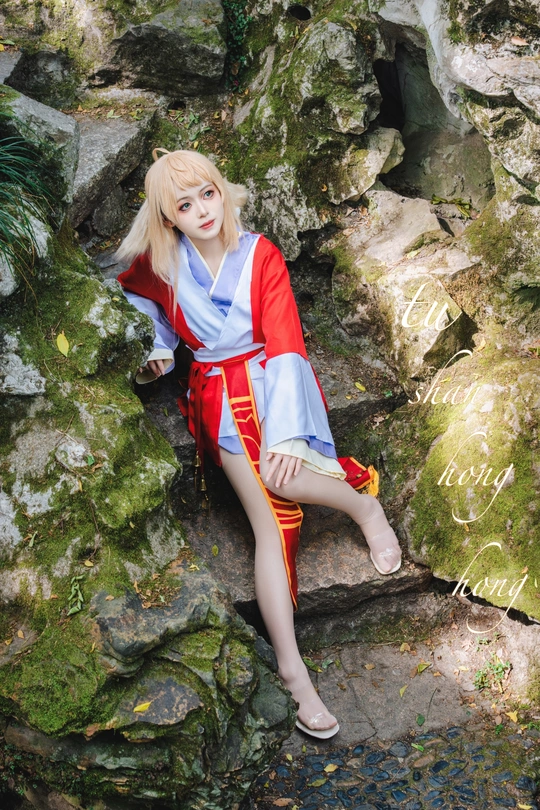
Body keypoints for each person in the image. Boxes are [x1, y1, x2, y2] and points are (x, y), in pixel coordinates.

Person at [117, 149, 402, 739]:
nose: (203, 210)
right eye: (185, 204)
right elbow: (133, 295)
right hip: (217, 395)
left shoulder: (260, 254)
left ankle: (363, 506)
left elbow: (286, 341)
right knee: (268, 518)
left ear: (223, 191)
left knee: (284, 473)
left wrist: (286, 432)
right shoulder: (161, 263)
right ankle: (293, 673)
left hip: (274, 381)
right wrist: (159, 347)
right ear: (168, 217)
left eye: (208, 194)